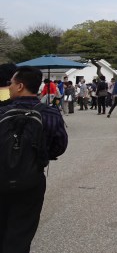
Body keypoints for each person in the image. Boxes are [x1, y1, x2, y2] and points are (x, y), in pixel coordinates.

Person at [0, 66, 68, 253]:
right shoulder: (51, 113)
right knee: (22, 230)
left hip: (2, 177)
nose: (9, 87)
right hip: (31, 179)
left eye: (11, 83)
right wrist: (39, 156)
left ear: (20, 86)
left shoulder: (2, 111)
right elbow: (60, 145)